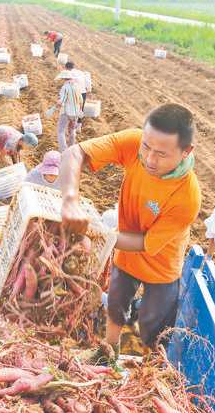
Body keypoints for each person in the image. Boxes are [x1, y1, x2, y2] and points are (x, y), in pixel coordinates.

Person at [59, 103, 201, 363]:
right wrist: (69, 199)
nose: (149, 159)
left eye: (161, 154)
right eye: (146, 147)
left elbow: (147, 243)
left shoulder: (187, 196)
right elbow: (74, 153)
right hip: (125, 252)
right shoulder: (135, 143)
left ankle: (152, 363)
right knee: (115, 304)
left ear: (186, 152)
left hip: (161, 265)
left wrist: (100, 235)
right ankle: (109, 353)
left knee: (152, 323)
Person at [0, 125, 38, 193]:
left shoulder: (21, 138)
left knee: (15, 162)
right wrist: (9, 167)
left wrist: (17, 167)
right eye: (28, 146)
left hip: (4, 137)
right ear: (23, 142)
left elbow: (15, 154)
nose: (28, 148)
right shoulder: (11, 143)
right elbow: (2, 157)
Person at [55, 70, 83, 152]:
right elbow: (81, 100)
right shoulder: (77, 86)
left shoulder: (65, 87)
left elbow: (62, 101)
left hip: (66, 111)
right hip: (76, 111)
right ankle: (72, 148)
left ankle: (63, 150)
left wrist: (57, 105)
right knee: (72, 129)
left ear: (64, 78)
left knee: (60, 130)